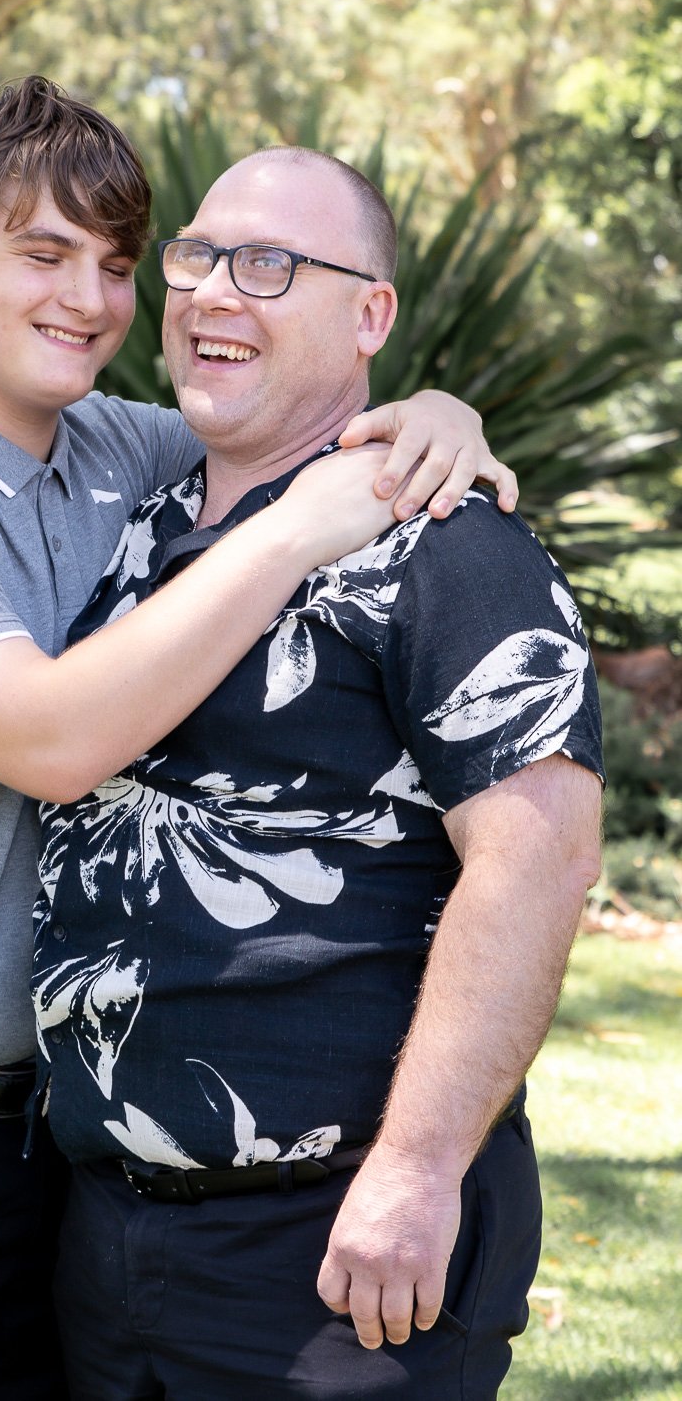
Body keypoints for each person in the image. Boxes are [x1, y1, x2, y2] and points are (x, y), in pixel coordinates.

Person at [0, 77, 515, 1401]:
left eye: (117, 263)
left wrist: (433, 418)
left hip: (61, 1144)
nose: (88, 296)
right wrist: (304, 526)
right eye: (43, 252)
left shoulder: (129, 456)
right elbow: (52, 738)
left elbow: (298, 419)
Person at [32, 144, 604, 1400]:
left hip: (335, 1254)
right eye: (197, 256)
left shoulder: (450, 546)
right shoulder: (133, 522)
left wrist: (414, 1171)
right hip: (101, 1237)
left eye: (273, 264)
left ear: (370, 315)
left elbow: (541, 854)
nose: (215, 292)